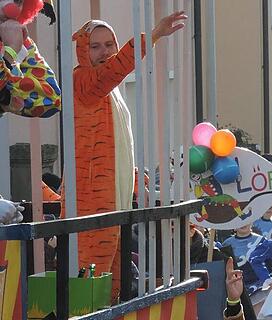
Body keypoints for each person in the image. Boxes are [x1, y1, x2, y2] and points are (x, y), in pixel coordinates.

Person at [70, 11, 187, 301]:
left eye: (109, 44)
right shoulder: (82, 80)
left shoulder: (112, 92)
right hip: (92, 202)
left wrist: (134, 179)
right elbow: (114, 70)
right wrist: (154, 35)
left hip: (115, 200)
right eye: (95, 46)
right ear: (82, 51)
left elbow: (116, 146)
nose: (105, 52)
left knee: (114, 279)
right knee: (91, 274)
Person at [222, 222, 267, 315]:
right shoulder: (226, 244)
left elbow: (271, 266)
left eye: (246, 220)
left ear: (252, 222)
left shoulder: (262, 240)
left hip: (260, 289)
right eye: (239, 221)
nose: (243, 223)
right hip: (238, 288)